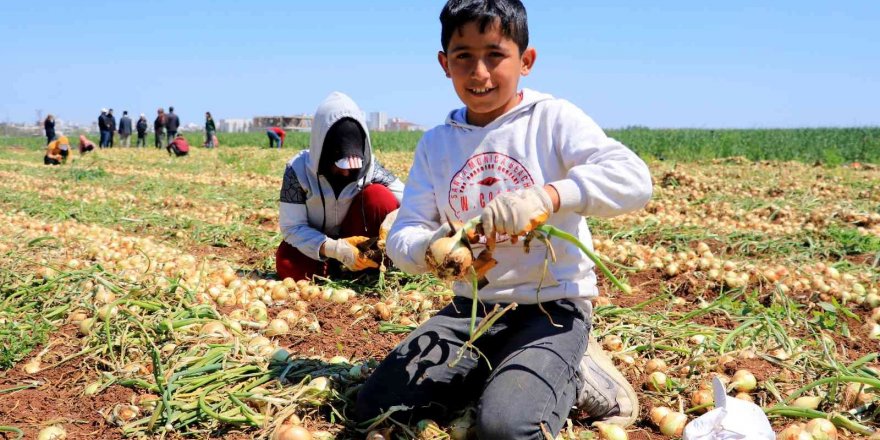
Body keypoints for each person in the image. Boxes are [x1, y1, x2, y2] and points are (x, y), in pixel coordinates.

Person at [354, 1, 653, 438]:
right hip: (472, 310)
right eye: (464, 57)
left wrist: (550, 196)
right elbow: (405, 233)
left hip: (552, 307)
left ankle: (580, 372)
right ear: (444, 63)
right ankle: (509, 375)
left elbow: (634, 179)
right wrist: (429, 249)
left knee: (506, 430)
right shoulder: (437, 144)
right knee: (376, 405)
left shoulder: (552, 119)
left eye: (495, 55)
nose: (479, 72)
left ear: (525, 61)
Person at [276, 92, 404, 281]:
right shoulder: (298, 171)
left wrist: (393, 218)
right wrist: (335, 249)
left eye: (352, 167)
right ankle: (337, 269)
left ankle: (372, 264)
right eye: (339, 165)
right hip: (319, 245)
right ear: (323, 153)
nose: (346, 173)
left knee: (379, 196)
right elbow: (292, 227)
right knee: (287, 264)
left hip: (360, 242)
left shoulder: (370, 167)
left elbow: (412, 201)